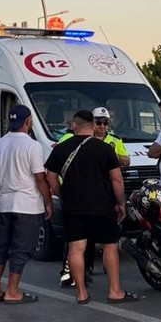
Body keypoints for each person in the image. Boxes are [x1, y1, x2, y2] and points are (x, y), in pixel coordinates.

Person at [45, 110, 140, 305]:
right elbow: (117, 179)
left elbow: (50, 176)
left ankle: (81, 293)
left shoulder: (61, 148)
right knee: (109, 247)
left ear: (74, 125)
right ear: (93, 125)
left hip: (73, 206)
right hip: (102, 205)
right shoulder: (105, 149)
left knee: (76, 248)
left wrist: (62, 194)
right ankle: (115, 291)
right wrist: (121, 203)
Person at [0, 104, 52, 305]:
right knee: (21, 249)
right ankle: (12, 291)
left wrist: (1, 193)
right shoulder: (33, 146)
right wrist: (48, 202)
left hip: (4, 203)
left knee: (2, 247)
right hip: (27, 205)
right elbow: (40, 179)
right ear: (28, 122)